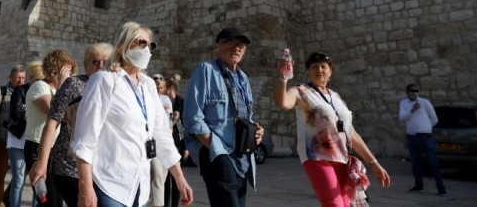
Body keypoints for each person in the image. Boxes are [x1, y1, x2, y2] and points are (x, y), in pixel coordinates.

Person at [72, 21, 193, 207]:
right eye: (141, 43)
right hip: (109, 184)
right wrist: (85, 188)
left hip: (139, 186)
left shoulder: (148, 85)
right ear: (124, 44)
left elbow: (161, 134)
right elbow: (85, 140)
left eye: (150, 45)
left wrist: (180, 178)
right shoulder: (104, 81)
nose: (146, 49)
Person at [273, 51, 391, 207]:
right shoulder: (301, 91)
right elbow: (282, 103)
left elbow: (352, 134)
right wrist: (283, 78)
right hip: (316, 156)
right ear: (308, 71)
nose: (319, 70)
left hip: (342, 158)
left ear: (330, 71)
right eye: (314, 67)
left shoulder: (336, 97)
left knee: (344, 203)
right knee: (333, 204)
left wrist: (374, 162)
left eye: (323, 66)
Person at [183, 28, 262, 207]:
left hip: (242, 157)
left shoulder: (244, 79)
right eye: (229, 42)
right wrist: (215, 149)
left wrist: (255, 129)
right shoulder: (206, 70)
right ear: (217, 45)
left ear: (245, 50)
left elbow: (245, 116)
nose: (235, 47)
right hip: (218, 152)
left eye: (240, 44)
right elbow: (192, 116)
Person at [29, 43, 113, 207]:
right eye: (95, 62)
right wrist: (42, 162)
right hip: (70, 166)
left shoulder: (115, 87)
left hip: (102, 169)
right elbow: (52, 123)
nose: (100, 66)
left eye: (105, 62)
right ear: (86, 65)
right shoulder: (74, 85)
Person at [25, 49, 77, 206]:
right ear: (56, 71)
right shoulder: (39, 86)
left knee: (57, 200)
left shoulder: (57, 91)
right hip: (37, 147)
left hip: (56, 150)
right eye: (67, 71)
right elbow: (51, 110)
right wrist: (63, 85)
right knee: (48, 201)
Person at [0, 65, 26, 207]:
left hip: (20, 141)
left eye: (23, 78)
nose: (20, 81)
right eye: (17, 78)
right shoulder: (2, 92)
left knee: (24, 171)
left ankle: (8, 197)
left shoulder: (27, 92)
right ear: (10, 78)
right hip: (3, 139)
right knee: (0, 173)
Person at [399, 83, 446, 196]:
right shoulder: (404, 103)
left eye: (416, 90)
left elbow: (434, 119)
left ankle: (441, 188)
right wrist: (412, 110)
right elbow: (402, 117)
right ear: (407, 92)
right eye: (412, 91)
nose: (414, 92)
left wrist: (426, 128)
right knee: (416, 162)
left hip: (425, 136)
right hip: (412, 136)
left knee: (433, 162)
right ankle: (419, 185)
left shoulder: (425, 103)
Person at [7, 61, 43, 207]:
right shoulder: (20, 90)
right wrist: (33, 114)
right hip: (18, 139)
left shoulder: (45, 92)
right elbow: (16, 112)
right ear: (32, 78)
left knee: (37, 179)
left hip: (36, 140)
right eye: (38, 79)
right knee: (19, 180)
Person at [149, 74, 172, 207]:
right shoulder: (148, 99)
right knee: (157, 175)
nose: (159, 88)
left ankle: (150, 201)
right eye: (157, 86)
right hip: (152, 142)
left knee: (162, 175)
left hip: (166, 141)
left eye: (161, 86)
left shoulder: (166, 100)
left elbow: (168, 122)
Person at [163, 74, 186, 207]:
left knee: (176, 177)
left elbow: (185, 126)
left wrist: (186, 147)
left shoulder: (180, 102)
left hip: (178, 142)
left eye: (165, 87)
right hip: (166, 141)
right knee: (165, 178)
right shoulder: (162, 101)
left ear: (170, 87)